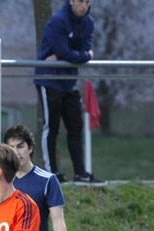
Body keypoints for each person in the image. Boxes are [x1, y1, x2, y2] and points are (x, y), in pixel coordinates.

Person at [35, 0, 105, 186]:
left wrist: (74, 56)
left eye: (88, 2)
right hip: (49, 80)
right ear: (72, 1)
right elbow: (66, 51)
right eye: (81, 1)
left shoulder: (88, 23)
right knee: (52, 127)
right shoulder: (57, 21)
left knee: (76, 127)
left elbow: (82, 53)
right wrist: (77, 55)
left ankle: (80, 173)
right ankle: (51, 173)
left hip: (69, 82)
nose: (85, 6)